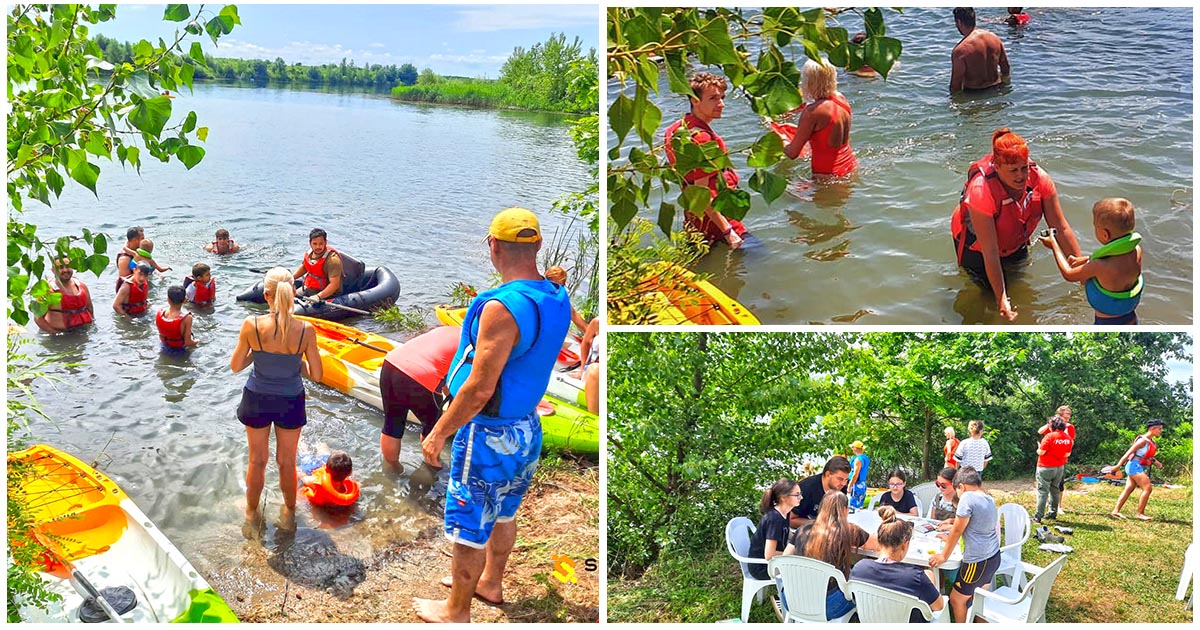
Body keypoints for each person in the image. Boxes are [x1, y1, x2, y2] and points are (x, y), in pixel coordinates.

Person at [413, 207, 571, 623]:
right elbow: (550, 283)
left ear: (493, 246)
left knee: (469, 524)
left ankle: (456, 611)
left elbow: (480, 388)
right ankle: (490, 583)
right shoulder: (556, 293)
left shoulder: (501, 308)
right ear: (536, 245)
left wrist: (439, 433)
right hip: (526, 429)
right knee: (504, 510)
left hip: (488, 434)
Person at [951, 128, 1083, 321]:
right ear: (996, 167)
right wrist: (1001, 299)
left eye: (1024, 168)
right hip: (976, 245)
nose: (1021, 176)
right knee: (986, 297)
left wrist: (1081, 271)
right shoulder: (981, 191)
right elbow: (990, 251)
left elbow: (1061, 228)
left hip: (1014, 238)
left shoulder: (1041, 179)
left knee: (1019, 286)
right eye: (1013, 170)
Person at [230, 267, 323, 532]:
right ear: (293, 292)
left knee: (257, 460)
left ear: (266, 295)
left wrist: (257, 354)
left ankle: (251, 513)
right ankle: (289, 512)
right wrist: (294, 362)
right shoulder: (306, 330)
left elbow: (236, 366)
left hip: (257, 398)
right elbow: (316, 374)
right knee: (287, 462)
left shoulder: (252, 325)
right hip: (290, 400)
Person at [663, 72, 746, 250]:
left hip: (696, 222)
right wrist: (728, 232)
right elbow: (702, 193)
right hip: (717, 223)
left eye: (722, 97)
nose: (721, 104)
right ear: (695, 100)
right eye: (713, 98)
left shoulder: (677, 129)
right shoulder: (700, 138)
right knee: (760, 259)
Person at [1039, 198, 1143, 325]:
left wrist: (1054, 246)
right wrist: (1085, 260)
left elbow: (1068, 274)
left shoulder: (1100, 266)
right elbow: (1117, 262)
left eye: (1095, 226)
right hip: (1131, 318)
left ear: (1105, 234)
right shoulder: (1137, 251)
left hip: (1106, 323)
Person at [782, 492, 877, 620]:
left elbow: (785, 558)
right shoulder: (849, 530)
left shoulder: (804, 528)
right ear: (845, 510)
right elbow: (876, 545)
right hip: (828, 605)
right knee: (863, 580)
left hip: (791, 599)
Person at [379, 325, 461, 471]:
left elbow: (441, 361)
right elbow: (460, 381)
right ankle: (431, 465)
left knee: (392, 423)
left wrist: (447, 393)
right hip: (421, 375)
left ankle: (392, 469)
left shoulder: (448, 329)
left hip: (391, 363)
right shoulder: (472, 344)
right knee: (432, 427)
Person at [929, 466, 1001, 623]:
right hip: (993, 556)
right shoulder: (988, 498)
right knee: (977, 598)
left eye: (957, 491)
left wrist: (943, 556)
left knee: (956, 599)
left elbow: (956, 531)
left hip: (977, 561)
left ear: (961, 486)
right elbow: (974, 524)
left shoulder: (967, 498)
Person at [849, 505, 945, 622]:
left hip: (872, 621)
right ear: (905, 544)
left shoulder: (860, 568)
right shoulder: (915, 577)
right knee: (929, 574)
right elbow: (938, 606)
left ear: (879, 540)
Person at [783, 58, 858, 180]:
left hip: (827, 175)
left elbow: (792, 153)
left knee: (790, 197)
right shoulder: (841, 98)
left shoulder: (812, 112)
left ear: (809, 82)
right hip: (850, 165)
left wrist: (782, 138)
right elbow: (826, 131)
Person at [1110, 419, 1164, 520]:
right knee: (1148, 488)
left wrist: (1156, 462)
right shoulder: (1142, 441)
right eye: (1159, 429)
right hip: (1134, 466)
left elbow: (1146, 455)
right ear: (1152, 429)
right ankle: (1140, 514)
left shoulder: (1151, 441)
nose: (1161, 431)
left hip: (1137, 466)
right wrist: (1117, 466)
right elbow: (1128, 453)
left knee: (1129, 489)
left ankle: (1115, 511)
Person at [747, 479, 801, 580]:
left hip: (775, 562)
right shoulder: (774, 519)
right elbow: (769, 555)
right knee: (805, 568)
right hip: (762, 567)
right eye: (797, 495)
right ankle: (783, 595)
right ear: (784, 498)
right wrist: (796, 553)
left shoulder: (785, 513)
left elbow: (787, 532)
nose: (801, 497)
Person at [950, 7, 1010, 92]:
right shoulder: (995, 38)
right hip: (997, 88)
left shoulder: (961, 50)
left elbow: (956, 85)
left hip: (974, 93)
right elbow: (1006, 69)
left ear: (959, 22)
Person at [34, 257, 94, 332]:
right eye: (61, 267)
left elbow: (90, 309)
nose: (65, 270)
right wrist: (54, 334)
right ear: (53, 270)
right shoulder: (47, 291)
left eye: (68, 266)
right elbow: (38, 318)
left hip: (84, 331)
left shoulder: (82, 286)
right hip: (60, 335)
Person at [790, 456, 852, 526]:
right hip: (804, 530)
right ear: (828, 474)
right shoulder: (805, 488)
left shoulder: (841, 488)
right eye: (840, 479)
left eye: (846, 479)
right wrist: (819, 525)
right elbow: (791, 519)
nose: (843, 483)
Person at [1033, 416, 1072, 523]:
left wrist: (1038, 447)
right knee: (1055, 490)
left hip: (1045, 466)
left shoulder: (1049, 436)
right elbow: (1067, 454)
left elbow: (1041, 452)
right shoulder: (1067, 438)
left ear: (1052, 426)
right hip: (1059, 467)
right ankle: (1052, 512)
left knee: (1042, 491)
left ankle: (1038, 515)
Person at [293, 228, 344, 300]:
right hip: (310, 288)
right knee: (289, 297)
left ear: (325, 242)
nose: (318, 247)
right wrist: (291, 278)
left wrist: (318, 296)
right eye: (315, 244)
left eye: (321, 244)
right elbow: (304, 267)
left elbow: (334, 285)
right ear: (310, 243)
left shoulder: (333, 261)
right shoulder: (310, 253)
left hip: (327, 294)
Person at [155, 285, 198, 351]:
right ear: (184, 299)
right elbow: (188, 342)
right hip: (180, 351)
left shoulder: (160, 312)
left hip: (163, 347)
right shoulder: (187, 318)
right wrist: (198, 341)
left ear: (168, 299)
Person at [847, 441, 870, 509]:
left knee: (853, 506)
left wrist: (849, 486)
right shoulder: (865, 458)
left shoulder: (858, 460)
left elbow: (855, 475)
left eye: (853, 447)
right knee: (859, 504)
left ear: (856, 448)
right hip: (862, 483)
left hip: (856, 484)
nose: (852, 449)